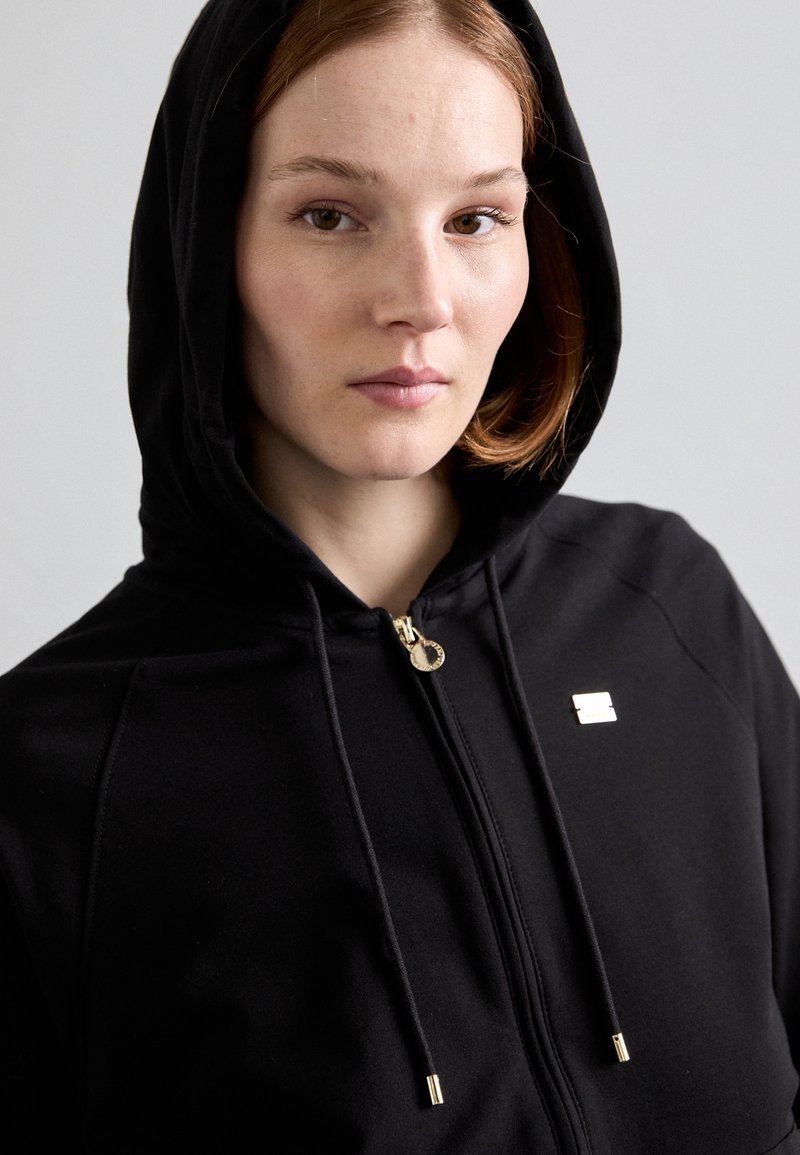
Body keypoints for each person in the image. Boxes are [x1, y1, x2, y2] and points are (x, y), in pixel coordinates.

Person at [1, 0, 798, 1150]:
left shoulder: (667, 606)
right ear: (208, 242)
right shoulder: (55, 771)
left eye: (475, 219)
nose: (421, 300)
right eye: (329, 215)